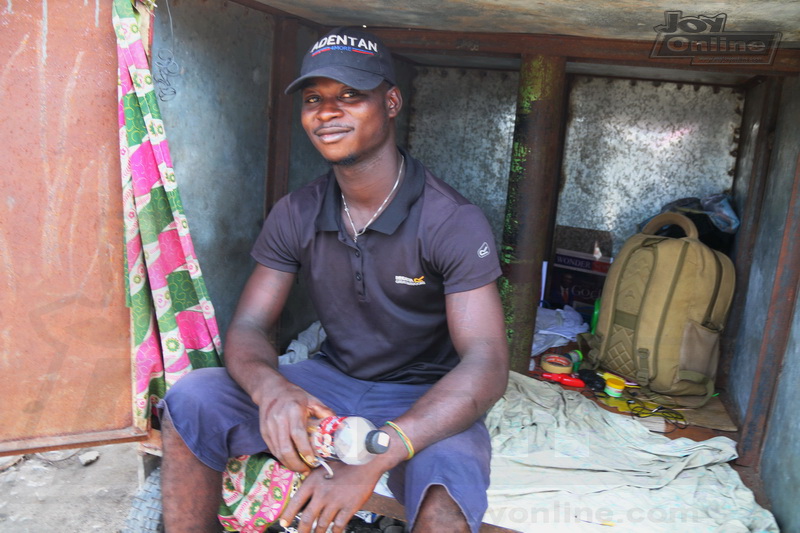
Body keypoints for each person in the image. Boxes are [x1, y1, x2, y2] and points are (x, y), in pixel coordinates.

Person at [160, 26, 509, 533]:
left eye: (351, 96)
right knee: (191, 402)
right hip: (329, 380)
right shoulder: (296, 212)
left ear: (391, 102)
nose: (327, 112)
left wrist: (378, 452)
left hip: (423, 393)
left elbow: (486, 363)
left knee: (446, 492)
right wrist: (272, 391)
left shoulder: (451, 220)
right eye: (314, 99)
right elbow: (251, 327)